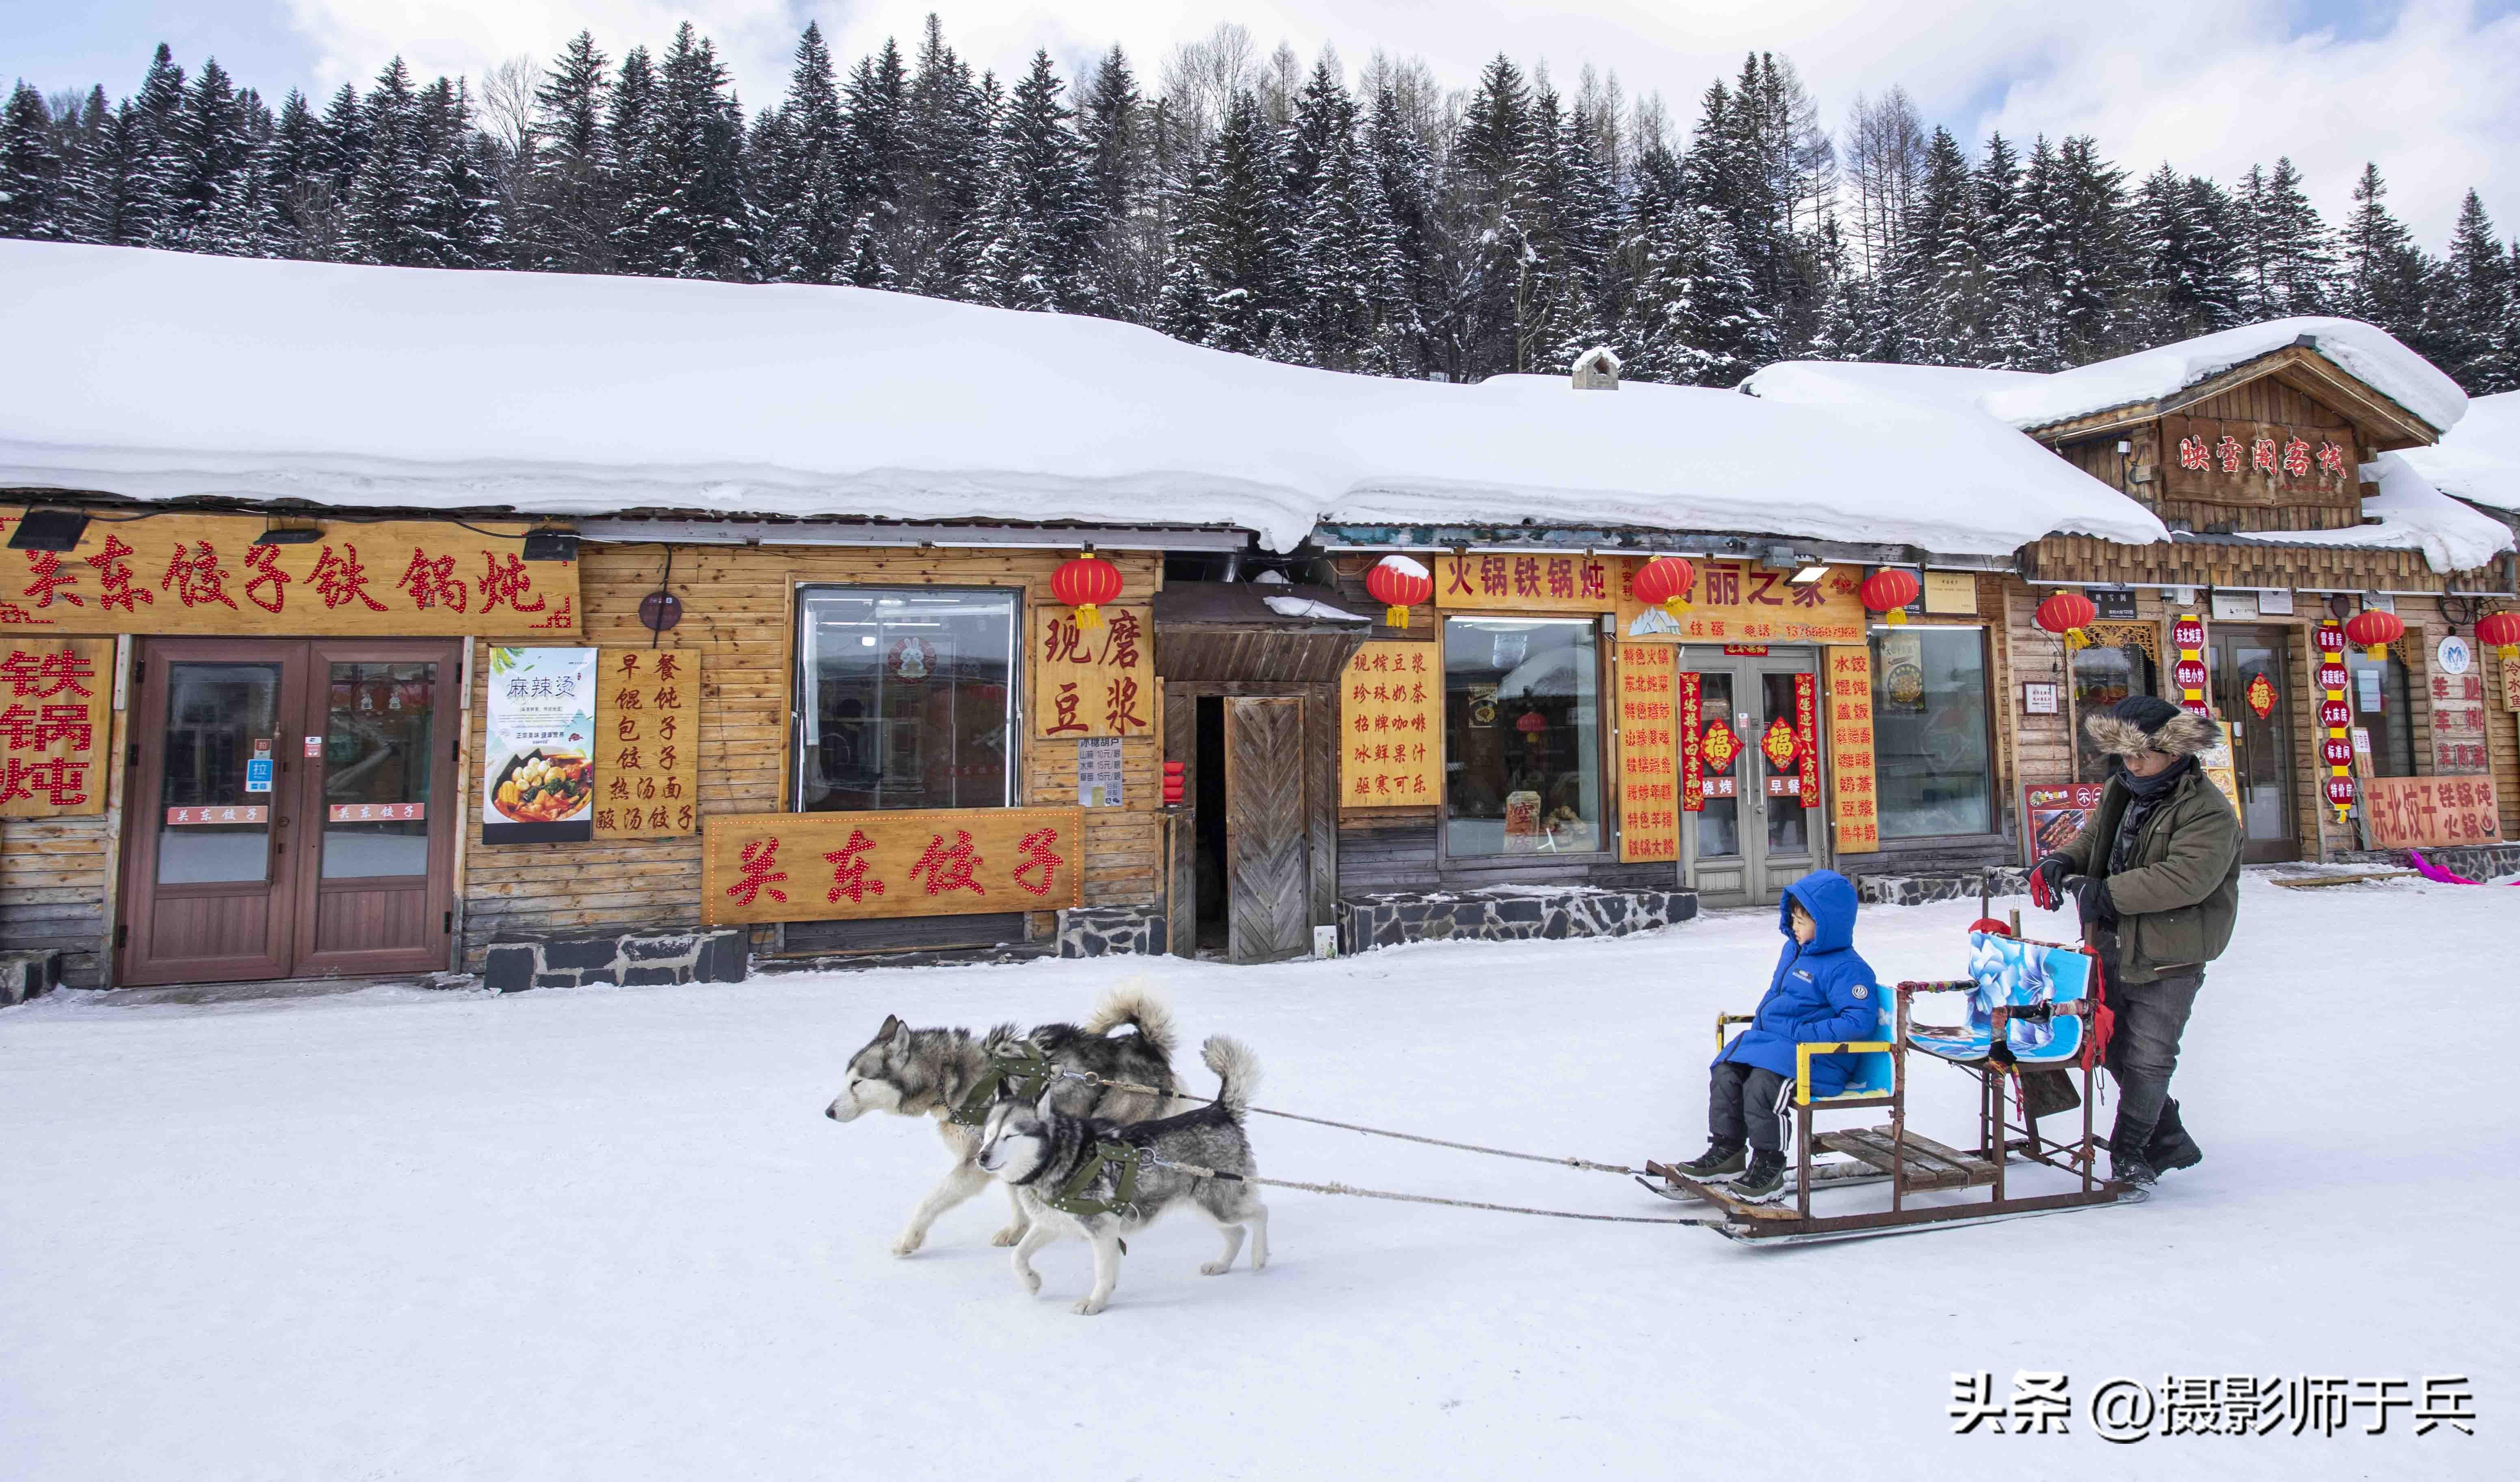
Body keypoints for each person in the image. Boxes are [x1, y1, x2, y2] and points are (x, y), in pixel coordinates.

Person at [2029, 695, 2241, 1187]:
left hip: (2172, 951)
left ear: (2175, 752)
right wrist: (2063, 861)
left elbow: (2185, 878)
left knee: (2150, 1055)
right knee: (2115, 1047)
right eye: (2125, 756)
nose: (2133, 765)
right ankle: (2167, 1136)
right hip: (2113, 941)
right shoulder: (2120, 790)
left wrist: (2105, 892)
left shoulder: (2208, 812)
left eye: (2142, 756)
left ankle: (2130, 1154)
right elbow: (2094, 840)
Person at [1671, 870, 1883, 1198]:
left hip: (1819, 1058)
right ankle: (1728, 1150)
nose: (1795, 929)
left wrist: (1805, 1033)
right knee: (1727, 1071)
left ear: (1829, 924)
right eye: (1794, 920)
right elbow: (1776, 996)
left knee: (1762, 1086)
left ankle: (1770, 1163)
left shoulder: (1848, 968)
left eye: (1803, 922)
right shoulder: (1794, 952)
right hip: (1779, 1047)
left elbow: (1857, 1021)